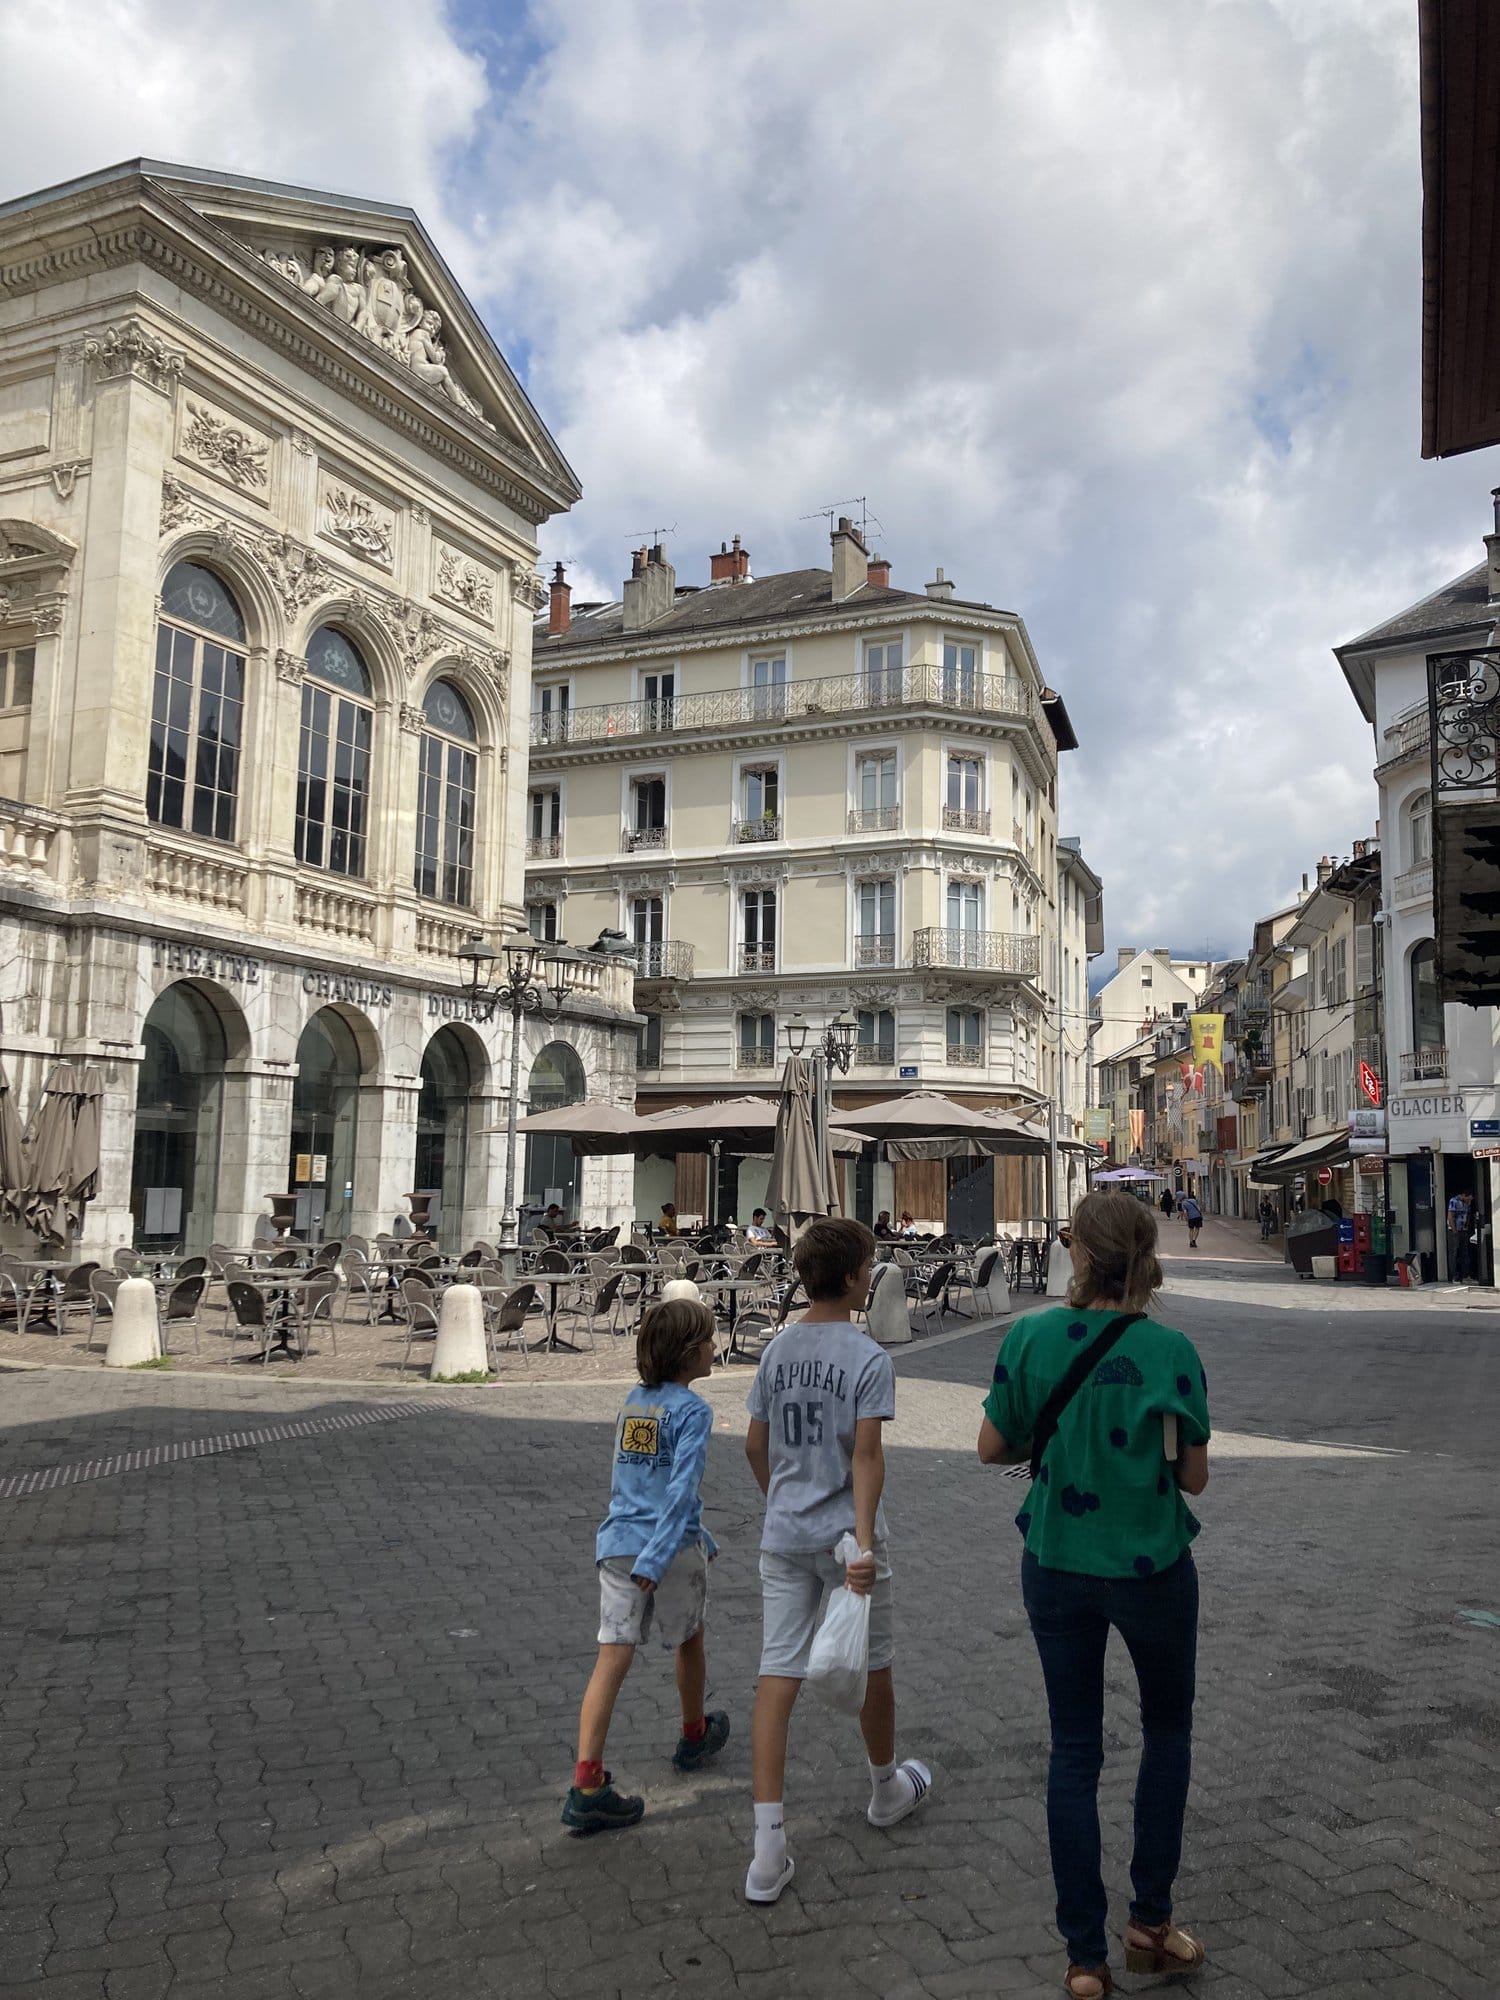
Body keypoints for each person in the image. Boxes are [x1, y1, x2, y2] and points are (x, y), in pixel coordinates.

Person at [977, 1191, 1210, 1998]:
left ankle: (1083, 1958)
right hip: (1150, 1568)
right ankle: (1150, 1921)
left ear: (1076, 1253)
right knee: (1166, 1731)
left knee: (1074, 1751)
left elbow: (989, 1447)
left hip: (1057, 1561)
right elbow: (1195, 1478)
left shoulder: (1031, 1336)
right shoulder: (1171, 1350)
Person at [743, 1218, 931, 1904]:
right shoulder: (867, 1356)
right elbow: (866, 1456)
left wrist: (781, 1504)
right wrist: (863, 1541)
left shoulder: (775, 1350)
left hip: (785, 1534)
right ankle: (885, 1789)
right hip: (849, 1539)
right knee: (873, 1664)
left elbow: (754, 1448)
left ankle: (768, 1850)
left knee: (776, 1672)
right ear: (854, 1279)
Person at [561, 1298, 730, 1834]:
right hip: (667, 1551)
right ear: (688, 1354)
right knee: (689, 1640)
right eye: (708, 1338)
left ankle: (586, 1781)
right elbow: (679, 1491)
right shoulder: (694, 1412)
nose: (714, 1345)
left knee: (611, 1658)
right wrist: (661, 1556)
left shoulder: (634, 1404)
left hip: (617, 1543)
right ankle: (693, 1732)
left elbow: (635, 1485)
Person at [1447, 1188, 1474, 1281]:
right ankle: (1454, 1275)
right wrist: (1454, 1231)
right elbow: (1450, 1217)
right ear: (1463, 1195)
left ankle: (1466, 1275)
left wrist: (1466, 1227)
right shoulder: (1454, 1201)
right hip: (1454, 1230)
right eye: (1468, 1199)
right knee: (1453, 1253)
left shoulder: (1467, 1204)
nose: (1469, 1201)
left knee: (1464, 1253)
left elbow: (1468, 1215)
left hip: (1464, 1230)